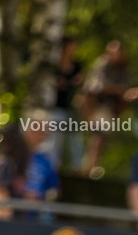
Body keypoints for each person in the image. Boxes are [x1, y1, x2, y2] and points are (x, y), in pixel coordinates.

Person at [79, 39, 130, 176]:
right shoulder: (102, 64)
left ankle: (91, 167)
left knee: (99, 137)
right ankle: (86, 166)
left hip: (106, 108)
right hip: (91, 105)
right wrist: (114, 89)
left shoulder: (123, 68)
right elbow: (95, 87)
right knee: (90, 136)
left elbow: (124, 90)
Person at [50, 36, 84, 170]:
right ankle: (53, 167)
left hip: (71, 108)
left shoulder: (77, 65)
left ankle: (78, 168)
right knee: (55, 140)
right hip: (55, 107)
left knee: (75, 139)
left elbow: (80, 84)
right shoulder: (53, 65)